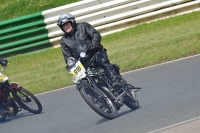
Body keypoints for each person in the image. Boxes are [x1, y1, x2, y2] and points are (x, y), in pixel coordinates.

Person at [57, 12, 125, 90]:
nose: (65, 27)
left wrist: (95, 42)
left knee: (103, 62)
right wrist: (70, 63)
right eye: (63, 26)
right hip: (83, 63)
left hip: (95, 53)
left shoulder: (83, 26)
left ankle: (116, 81)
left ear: (72, 21)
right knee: (83, 82)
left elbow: (95, 34)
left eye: (66, 24)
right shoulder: (63, 41)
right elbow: (68, 57)